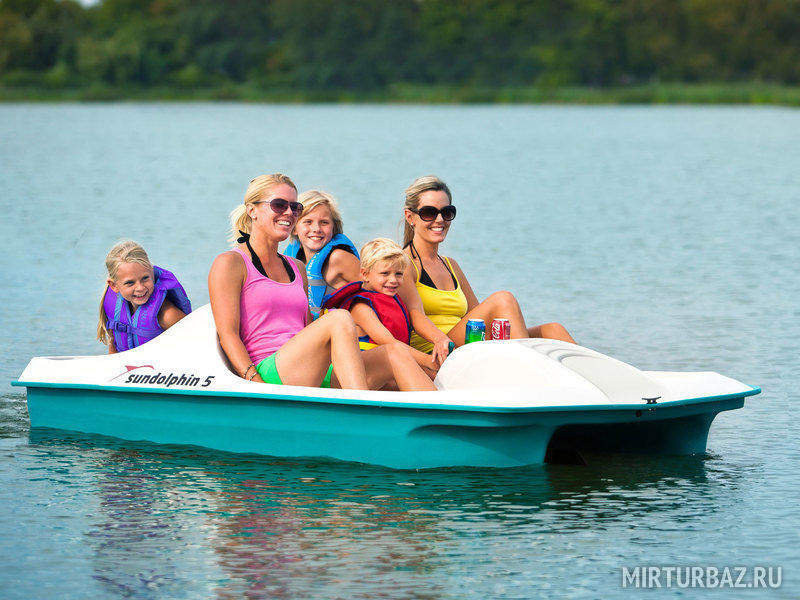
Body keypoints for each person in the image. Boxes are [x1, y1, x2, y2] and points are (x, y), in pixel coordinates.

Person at [208, 174, 436, 392]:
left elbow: (307, 329)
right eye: (279, 205)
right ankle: (359, 406)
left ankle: (440, 411)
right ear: (252, 210)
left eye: (294, 207)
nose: (288, 213)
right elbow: (228, 335)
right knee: (339, 318)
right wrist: (255, 385)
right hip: (268, 371)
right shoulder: (231, 263)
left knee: (394, 352)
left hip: (310, 368)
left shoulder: (296, 267)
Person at [399, 175, 575, 357]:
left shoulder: (451, 265)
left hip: (464, 343)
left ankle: (589, 375)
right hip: (437, 348)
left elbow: (478, 316)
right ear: (410, 216)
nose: (439, 219)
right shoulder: (404, 264)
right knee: (503, 299)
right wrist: (440, 340)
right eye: (429, 212)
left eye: (447, 212)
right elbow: (415, 316)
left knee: (553, 330)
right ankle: (526, 367)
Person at [322, 238, 437, 374]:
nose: (393, 280)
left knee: (431, 375)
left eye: (398, 274)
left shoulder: (392, 300)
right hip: (359, 370)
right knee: (425, 373)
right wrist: (428, 360)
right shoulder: (360, 307)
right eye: (385, 273)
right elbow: (390, 343)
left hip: (390, 364)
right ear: (365, 274)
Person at [97, 240, 191, 354]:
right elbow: (113, 347)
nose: (140, 288)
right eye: (130, 283)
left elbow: (198, 343)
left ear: (152, 273)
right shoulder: (115, 309)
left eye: (145, 278)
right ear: (114, 285)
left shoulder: (167, 315)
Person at [284, 190, 360, 318]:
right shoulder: (290, 259)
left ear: (334, 228)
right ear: (294, 227)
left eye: (324, 222)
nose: (316, 229)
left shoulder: (338, 258)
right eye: (308, 222)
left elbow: (376, 293)